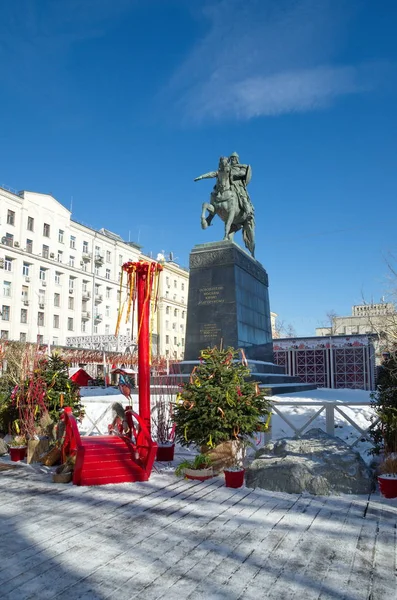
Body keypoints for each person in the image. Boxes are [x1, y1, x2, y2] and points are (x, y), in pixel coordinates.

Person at [228, 152, 254, 221]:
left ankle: (249, 213)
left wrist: (234, 174)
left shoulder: (241, 167)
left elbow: (242, 173)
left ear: (237, 159)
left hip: (238, 186)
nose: (232, 159)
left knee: (243, 198)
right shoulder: (228, 167)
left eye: (234, 158)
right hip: (230, 185)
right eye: (231, 158)